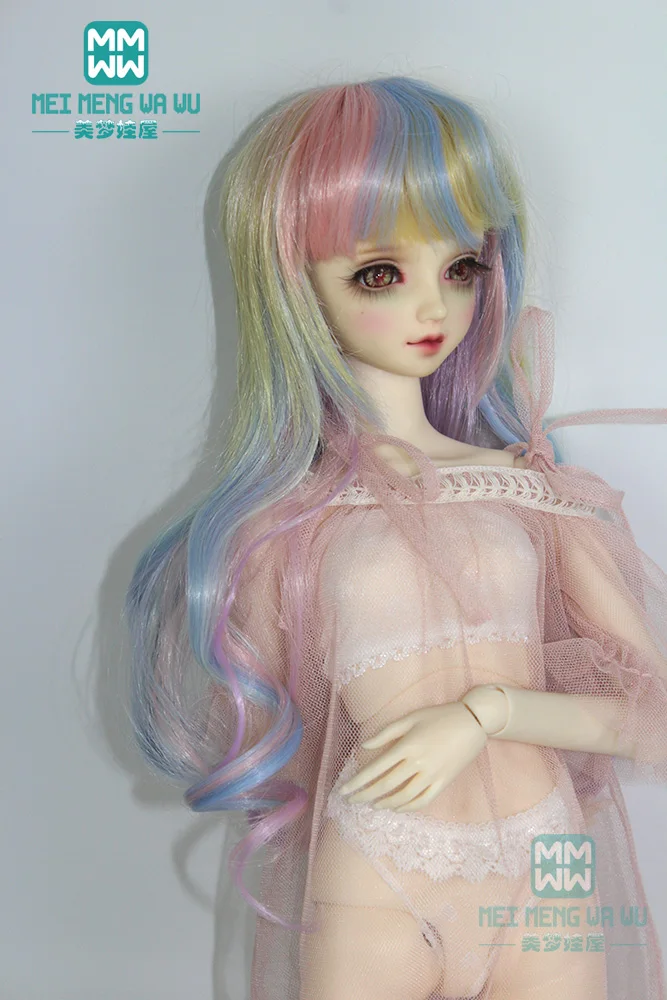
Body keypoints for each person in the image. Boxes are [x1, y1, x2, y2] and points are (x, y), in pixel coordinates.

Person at [125, 76, 667, 999]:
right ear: (294, 283)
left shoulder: (535, 488)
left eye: (461, 268)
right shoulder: (284, 519)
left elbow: (653, 715)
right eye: (380, 273)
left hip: (545, 868)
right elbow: (269, 731)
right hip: (378, 871)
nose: (434, 309)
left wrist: (489, 713)